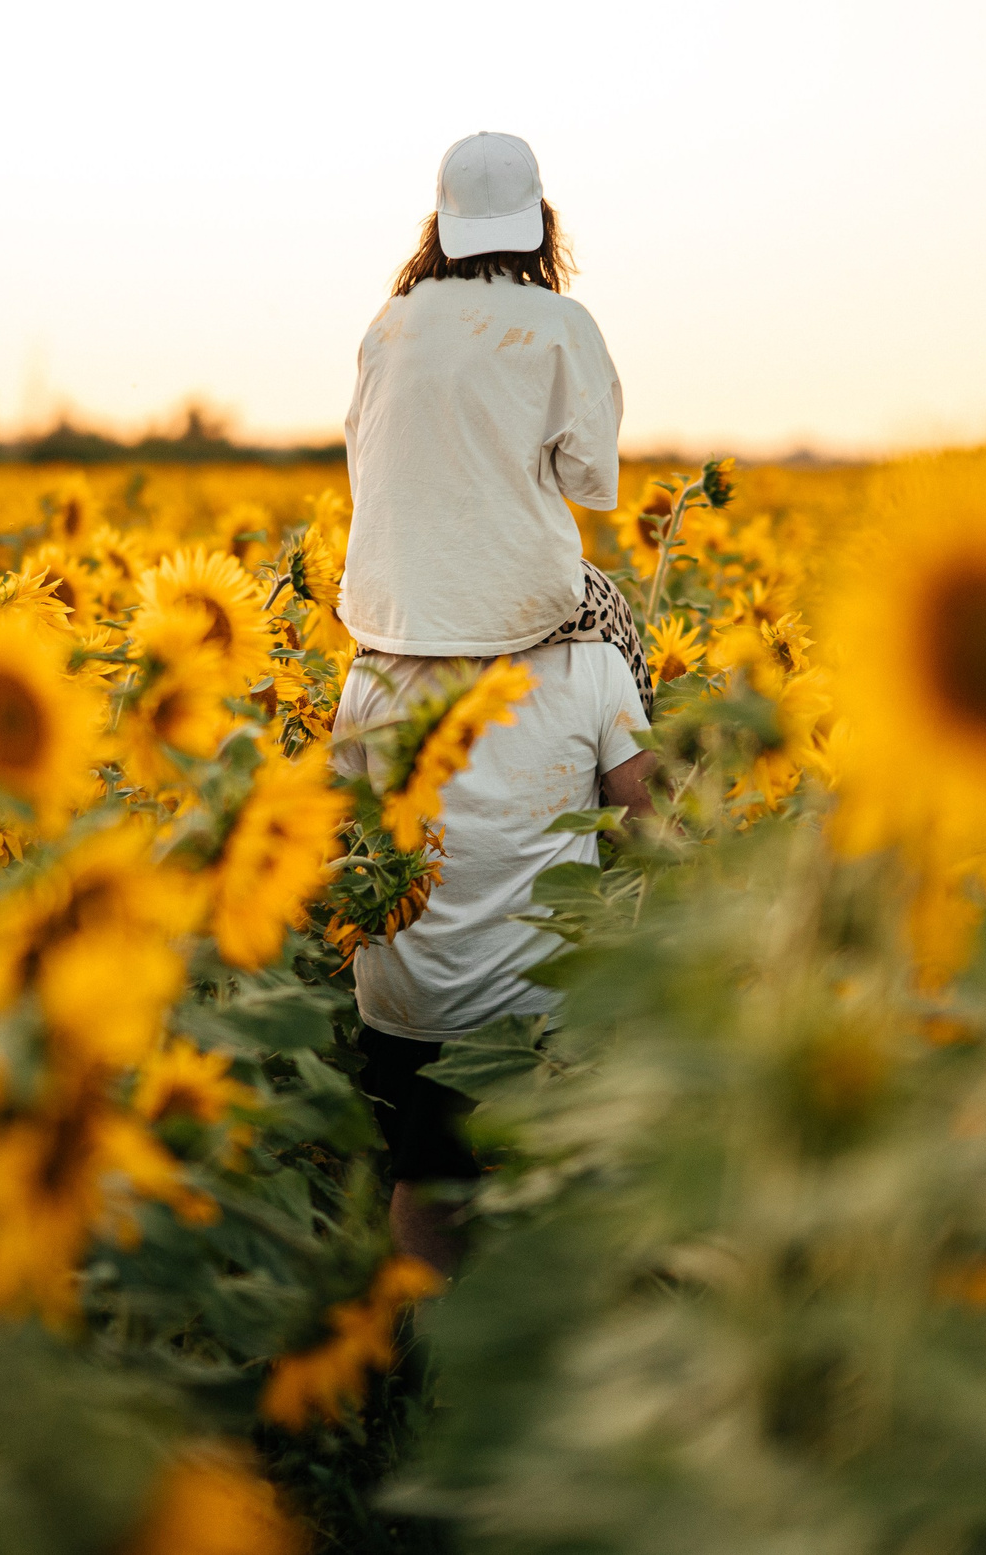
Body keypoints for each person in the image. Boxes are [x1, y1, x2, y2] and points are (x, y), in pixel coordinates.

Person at [331, 131, 657, 1274]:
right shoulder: (560, 326)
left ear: (440, 225)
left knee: (422, 1173)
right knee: (618, 648)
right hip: (528, 621)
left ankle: (415, 1355)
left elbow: (372, 468)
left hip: (393, 624)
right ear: (536, 225)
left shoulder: (383, 328)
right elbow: (590, 481)